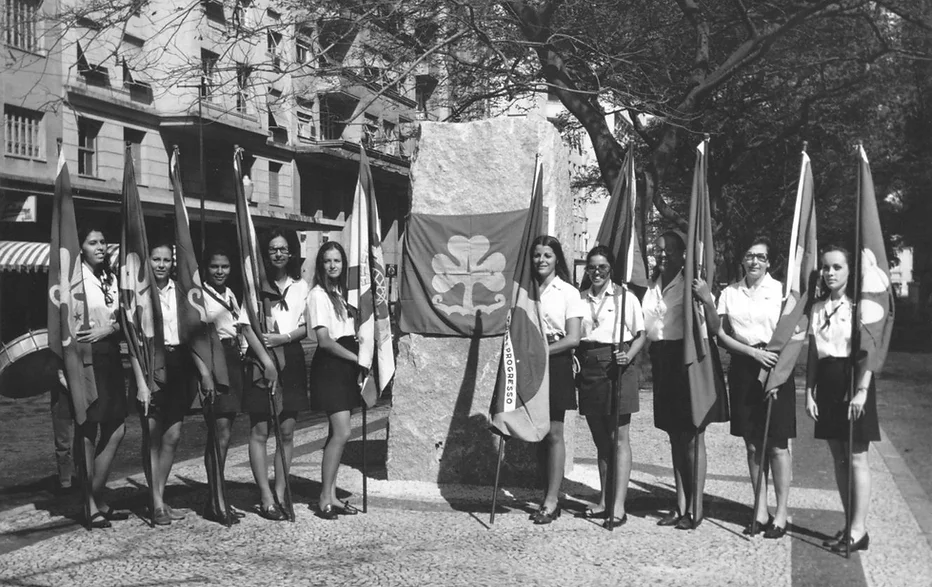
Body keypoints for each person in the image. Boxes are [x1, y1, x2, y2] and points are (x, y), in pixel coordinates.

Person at [716, 236, 795, 539]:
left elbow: (792, 333)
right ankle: (760, 509)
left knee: (776, 443)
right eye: (749, 256)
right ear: (743, 260)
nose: (754, 262)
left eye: (760, 257)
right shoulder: (730, 293)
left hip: (775, 365)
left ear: (769, 262)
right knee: (751, 442)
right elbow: (721, 334)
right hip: (744, 366)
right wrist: (751, 353)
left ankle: (782, 512)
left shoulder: (781, 292)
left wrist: (775, 368)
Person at [805, 245, 879, 553]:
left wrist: (861, 390)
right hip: (827, 383)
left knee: (857, 458)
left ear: (850, 271)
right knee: (839, 457)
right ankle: (849, 524)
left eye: (837, 267)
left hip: (853, 382)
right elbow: (812, 356)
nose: (830, 273)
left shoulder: (861, 309)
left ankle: (859, 530)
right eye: (826, 267)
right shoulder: (818, 308)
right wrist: (809, 392)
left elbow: (870, 353)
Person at [644, 230, 719, 530]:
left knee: (692, 435)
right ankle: (680, 504)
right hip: (662, 360)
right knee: (674, 436)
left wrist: (707, 300)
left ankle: (696, 507)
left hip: (686, 358)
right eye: (658, 250)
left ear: (682, 253)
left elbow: (713, 329)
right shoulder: (652, 285)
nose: (662, 255)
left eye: (669, 250)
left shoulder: (692, 284)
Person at [201, 245, 277, 524]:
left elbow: (241, 328)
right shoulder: (201, 295)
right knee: (219, 432)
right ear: (206, 269)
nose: (220, 272)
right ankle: (216, 499)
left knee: (226, 430)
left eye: (225, 267)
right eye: (214, 267)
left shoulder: (230, 294)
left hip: (234, 360)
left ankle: (218, 496)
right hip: (216, 358)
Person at [137, 242, 210, 526]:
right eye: (156, 259)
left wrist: (203, 371)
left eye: (166, 260)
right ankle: (155, 502)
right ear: (149, 261)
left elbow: (193, 332)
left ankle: (159, 495)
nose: (161, 265)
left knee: (173, 435)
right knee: (152, 435)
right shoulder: (141, 294)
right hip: (152, 362)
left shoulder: (181, 292)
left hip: (179, 364)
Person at [575, 245, 645, 529]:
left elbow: (641, 335)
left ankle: (619, 506)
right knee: (601, 440)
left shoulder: (626, 298)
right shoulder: (579, 299)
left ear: (611, 269)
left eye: (602, 266)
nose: (597, 272)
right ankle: (604, 500)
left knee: (618, 438)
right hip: (589, 364)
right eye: (592, 266)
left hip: (618, 364)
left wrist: (628, 354)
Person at [242, 229, 309, 521]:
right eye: (272, 249)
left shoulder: (301, 286)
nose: (278, 254)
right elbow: (244, 325)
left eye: (283, 249)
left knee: (287, 431)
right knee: (260, 431)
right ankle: (265, 496)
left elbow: (309, 325)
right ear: (266, 255)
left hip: (290, 357)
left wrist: (284, 338)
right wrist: (266, 361)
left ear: (291, 253)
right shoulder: (256, 287)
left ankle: (281, 492)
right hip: (260, 359)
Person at [72, 227, 129, 528]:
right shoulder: (74, 280)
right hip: (85, 357)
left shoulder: (111, 277)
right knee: (88, 428)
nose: (99, 247)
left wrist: (111, 328)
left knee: (117, 426)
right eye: (92, 242)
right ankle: (90, 502)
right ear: (80, 247)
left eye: (103, 241)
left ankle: (94, 493)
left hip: (110, 353)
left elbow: (121, 317)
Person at [527, 236, 584, 525]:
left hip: (556, 360)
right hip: (530, 360)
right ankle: (543, 489)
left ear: (556, 258)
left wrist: (543, 352)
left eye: (547, 255)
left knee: (554, 433)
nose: (541, 260)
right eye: (537, 255)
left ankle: (552, 500)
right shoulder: (526, 290)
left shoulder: (568, 292)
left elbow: (573, 338)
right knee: (536, 432)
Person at [307, 241, 361, 520]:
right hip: (331, 366)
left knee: (335, 434)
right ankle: (324, 497)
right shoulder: (317, 295)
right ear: (320, 265)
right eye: (327, 261)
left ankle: (331, 495)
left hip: (346, 365)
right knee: (342, 432)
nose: (332, 266)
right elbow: (325, 341)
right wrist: (356, 360)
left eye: (337, 261)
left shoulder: (342, 293)